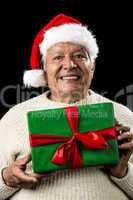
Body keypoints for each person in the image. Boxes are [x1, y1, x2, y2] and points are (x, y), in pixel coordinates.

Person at [0, 13, 133, 200]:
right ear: (43, 69)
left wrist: (123, 172)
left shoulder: (124, 116)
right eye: (58, 57)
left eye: (80, 56)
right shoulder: (14, 117)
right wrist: (7, 178)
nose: (69, 65)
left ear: (92, 66)